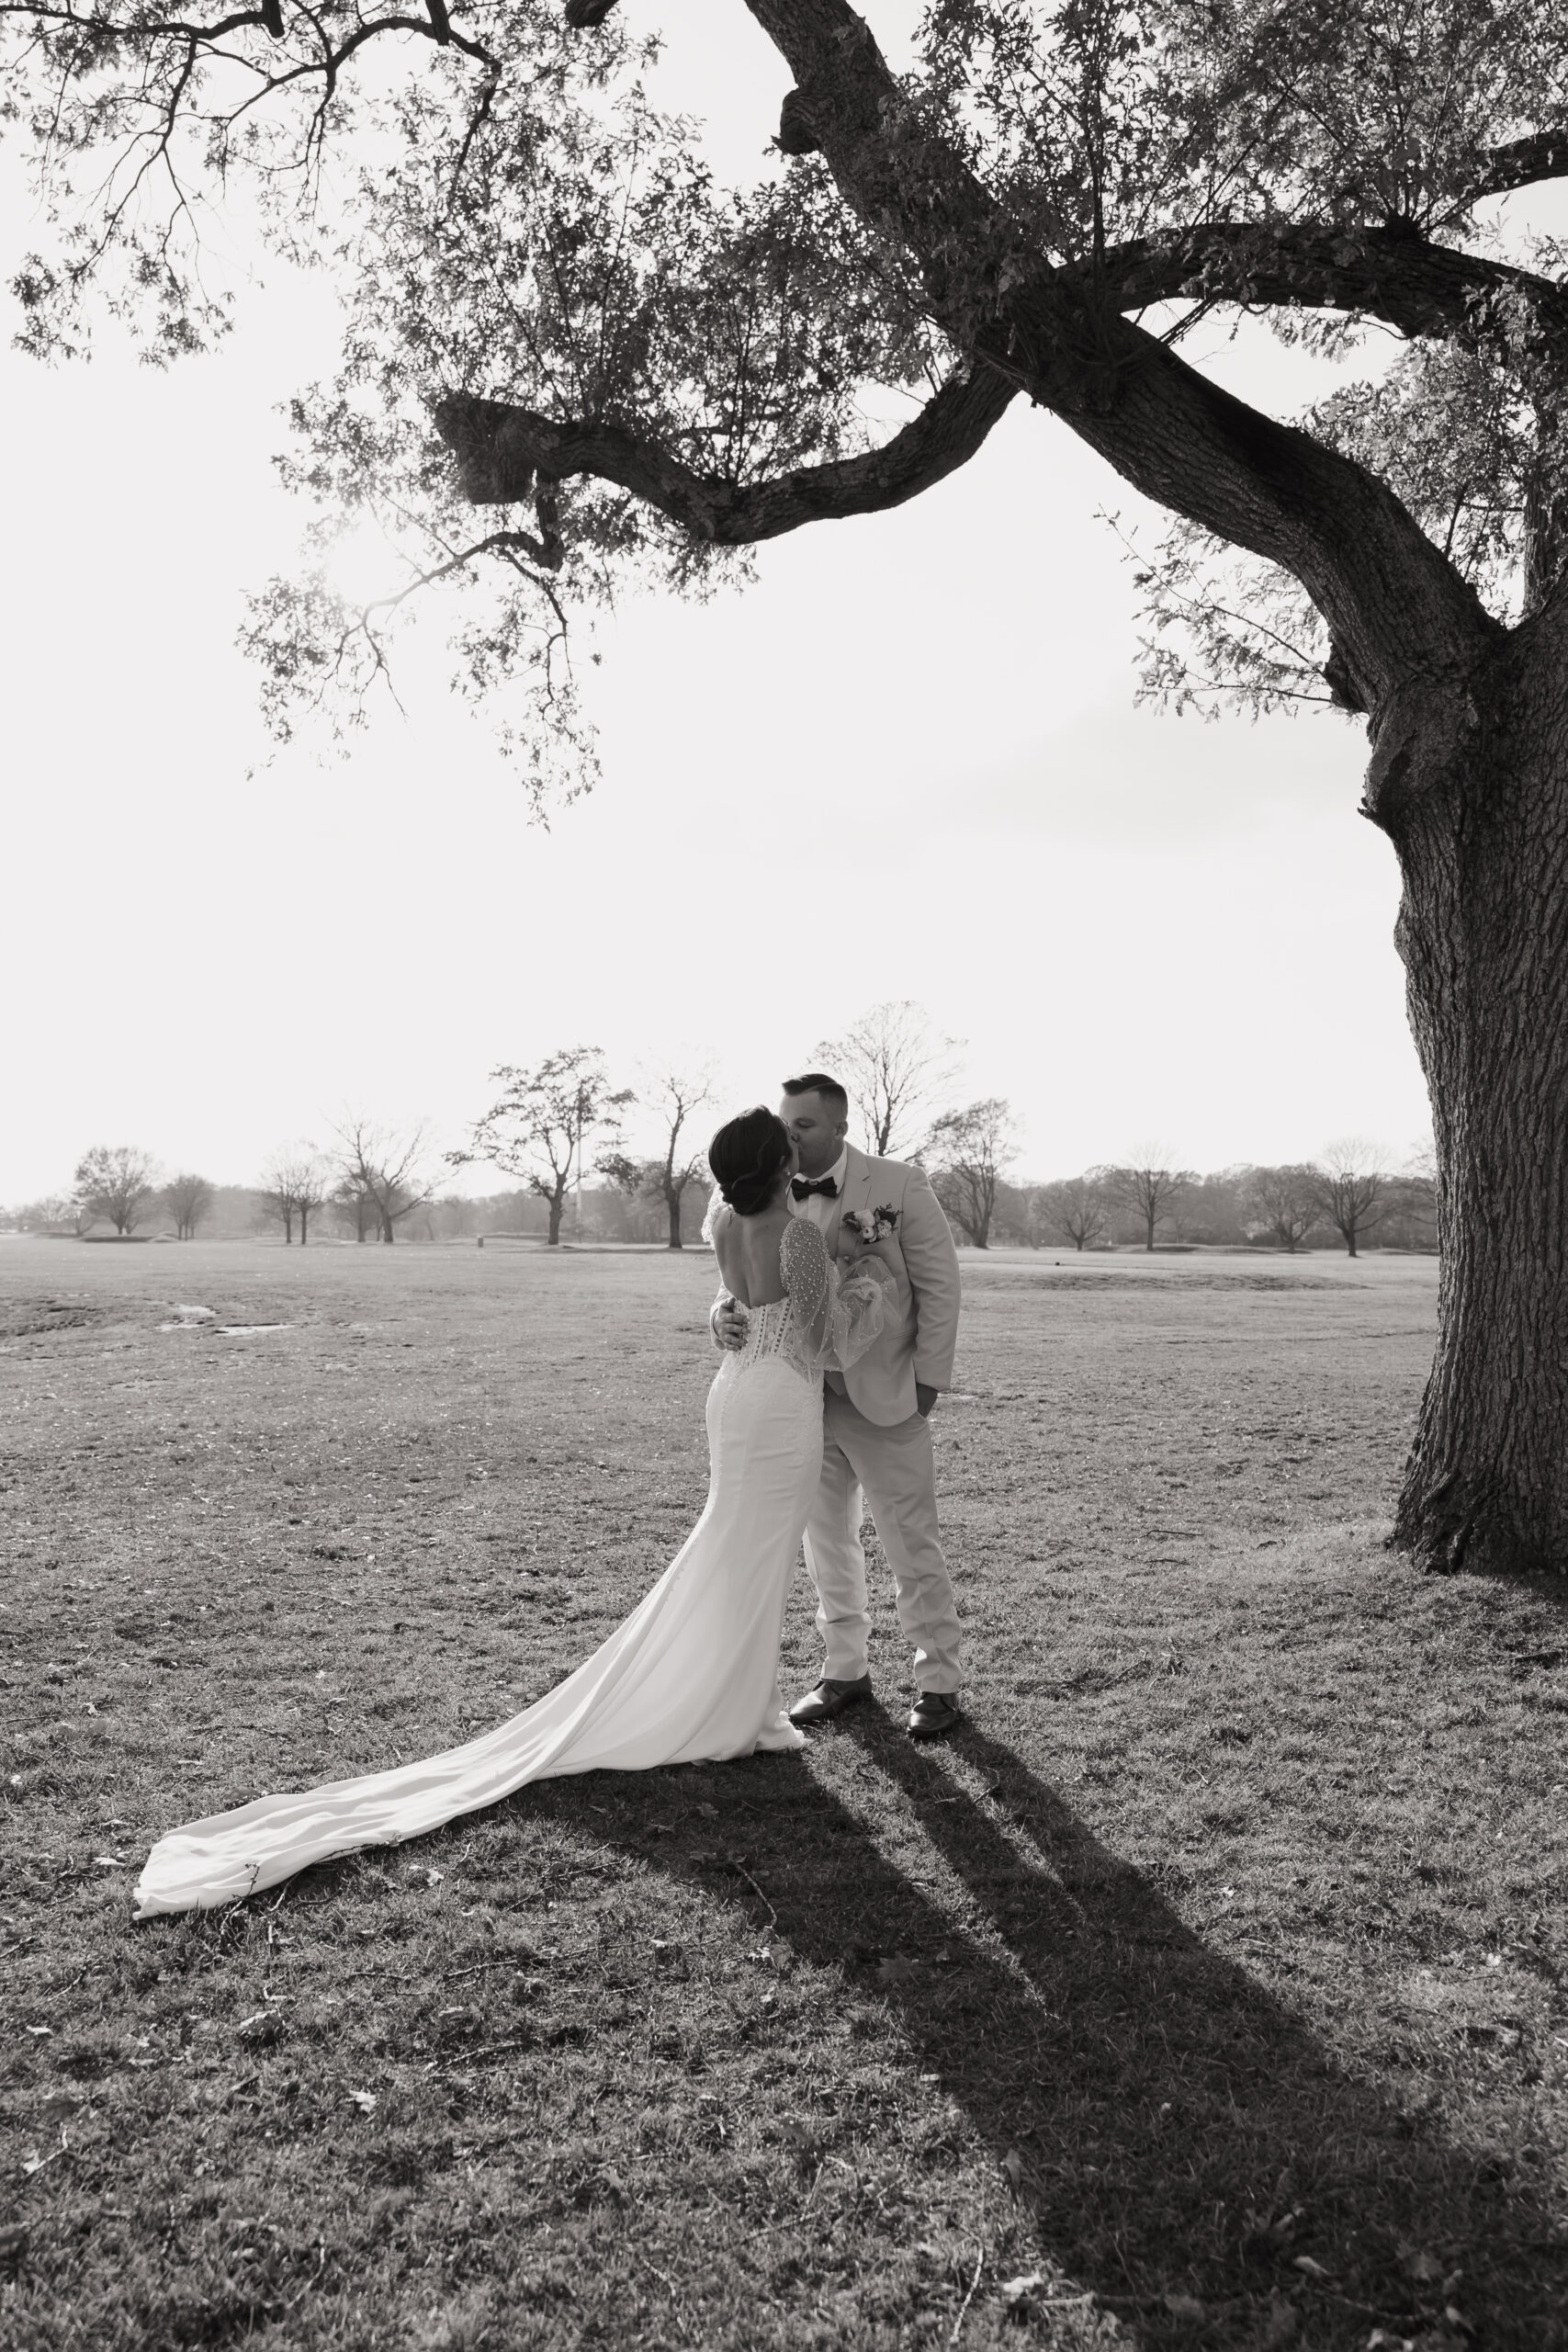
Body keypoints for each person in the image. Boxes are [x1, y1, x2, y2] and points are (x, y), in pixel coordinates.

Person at [132, 1108, 890, 1919]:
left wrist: (761, 1300)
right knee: (755, 1555)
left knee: (734, 1548)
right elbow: (824, 1340)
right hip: (778, 1404)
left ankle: (736, 1697)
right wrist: (864, 1279)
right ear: (777, 1166)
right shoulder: (796, 1235)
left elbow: (739, 1304)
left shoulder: (725, 1225)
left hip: (735, 1395)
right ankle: (740, 1711)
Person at [711, 1072, 964, 1741]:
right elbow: (745, 1285)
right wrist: (720, 1314)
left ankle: (938, 1682)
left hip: (886, 1396)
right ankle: (844, 1670)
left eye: (803, 1125)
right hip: (798, 1400)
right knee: (825, 1543)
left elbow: (940, 1287)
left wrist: (928, 1383)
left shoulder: (899, 1185)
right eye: (785, 1125)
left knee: (910, 1540)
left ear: (839, 1128)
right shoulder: (763, 1195)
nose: (790, 1136)